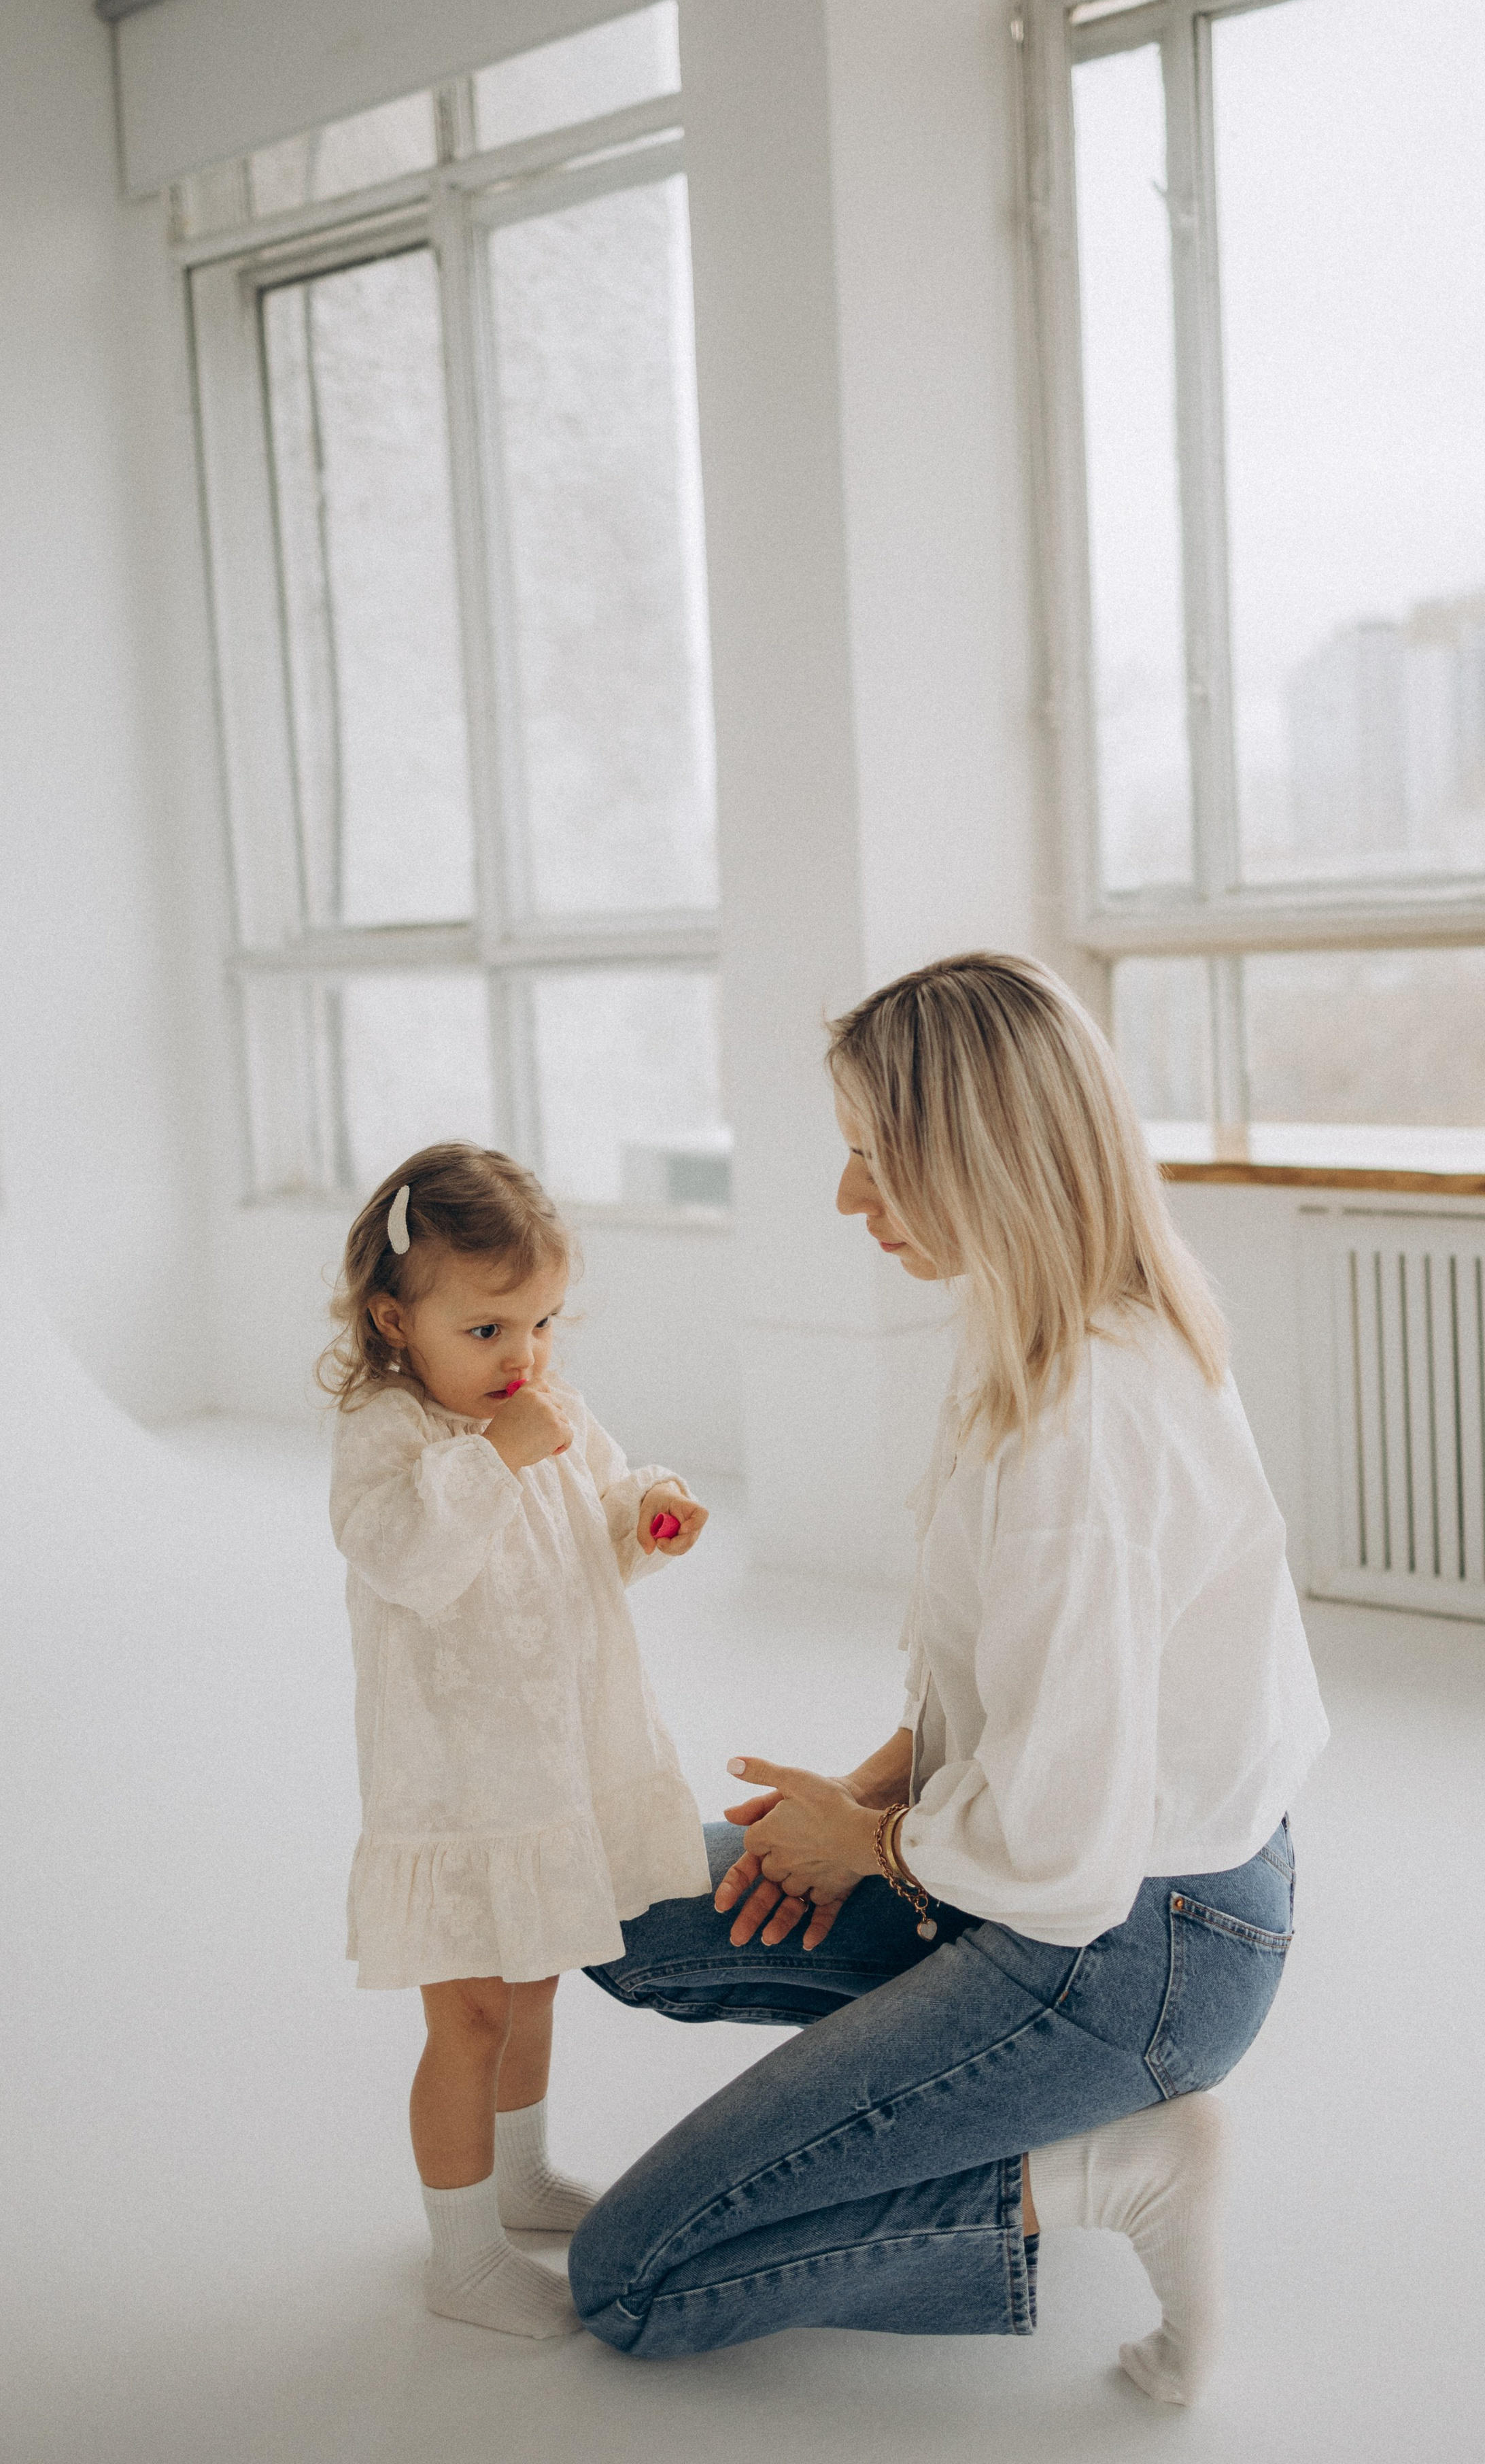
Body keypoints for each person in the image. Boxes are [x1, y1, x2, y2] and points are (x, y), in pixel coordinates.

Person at [568, 953, 1329, 2401]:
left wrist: (865, 1851)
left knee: (636, 2282)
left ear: (981, 1156)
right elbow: (1029, 1687)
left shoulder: (1085, 1429)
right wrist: (877, 1791)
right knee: (623, 1908)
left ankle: (1117, 2167)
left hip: (1125, 1953)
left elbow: (1062, 1849)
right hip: (1084, 1887)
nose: (848, 1201)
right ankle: (1005, 2103)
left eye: (873, 1161)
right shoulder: (1048, 1323)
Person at [320, 1142, 711, 2340]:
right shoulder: (390, 1439)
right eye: (486, 1330)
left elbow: (593, 1533)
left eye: (539, 1323)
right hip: (459, 1784)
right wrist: (496, 1458)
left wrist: (645, 1517)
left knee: (536, 1980)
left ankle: (523, 2171)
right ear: (396, 1319)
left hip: (555, 1761)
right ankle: (461, 2254)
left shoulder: (553, 1412)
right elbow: (406, 1559)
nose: (523, 1357)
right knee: (469, 2014)